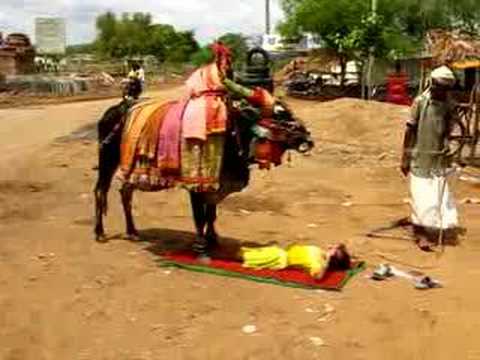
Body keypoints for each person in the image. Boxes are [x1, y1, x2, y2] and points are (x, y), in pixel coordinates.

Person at [400, 65, 459, 251]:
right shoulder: (420, 102)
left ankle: (428, 225)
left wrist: (450, 148)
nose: (442, 91)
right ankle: (420, 233)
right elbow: (410, 129)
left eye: (445, 88)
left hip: (439, 157)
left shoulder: (449, 104)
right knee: (420, 195)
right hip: (419, 155)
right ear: (432, 84)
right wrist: (405, 157)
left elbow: (451, 131)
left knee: (436, 195)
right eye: (439, 86)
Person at [216, 243, 351, 279]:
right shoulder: (319, 252)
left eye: (333, 250)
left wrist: (327, 264)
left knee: (242, 256)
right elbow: (338, 248)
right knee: (245, 251)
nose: (331, 247)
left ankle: (214, 256)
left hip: (277, 258)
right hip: (279, 252)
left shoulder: (317, 263)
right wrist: (335, 251)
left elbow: (318, 276)